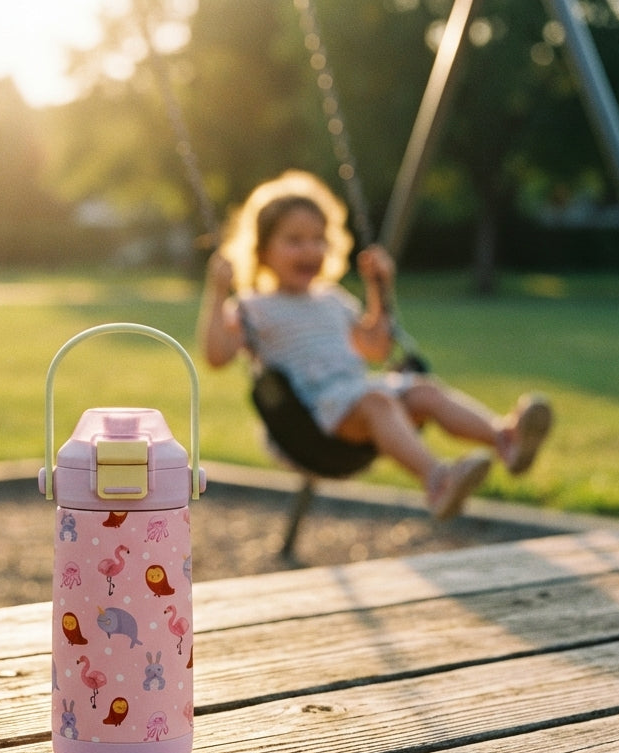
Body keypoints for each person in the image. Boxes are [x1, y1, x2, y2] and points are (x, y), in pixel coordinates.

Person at [197, 170, 553, 520]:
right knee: (378, 401)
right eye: (294, 240)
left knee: (425, 391)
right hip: (314, 414)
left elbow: (376, 347)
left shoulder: (332, 299)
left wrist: (379, 287)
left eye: (319, 239)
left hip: (359, 392)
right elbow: (216, 356)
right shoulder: (253, 307)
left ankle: (505, 438)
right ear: (262, 250)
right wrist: (217, 292)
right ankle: (438, 481)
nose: (310, 249)